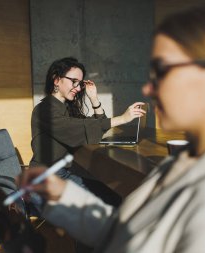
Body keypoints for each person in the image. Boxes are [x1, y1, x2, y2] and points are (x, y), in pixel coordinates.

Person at [21, 3, 205, 252]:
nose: (148, 88)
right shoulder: (184, 161)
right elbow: (124, 233)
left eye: (162, 72)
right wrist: (64, 196)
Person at [30, 57, 145, 205]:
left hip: (64, 173)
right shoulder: (43, 110)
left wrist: (94, 99)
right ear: (57, 80)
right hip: (46, 178)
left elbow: (95, 123)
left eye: (80, 84)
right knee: (111, 198)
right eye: (74, 82)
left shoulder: (66, 108)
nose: (78, 88)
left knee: (115, 193)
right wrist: (122, 119)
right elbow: (77, 128)